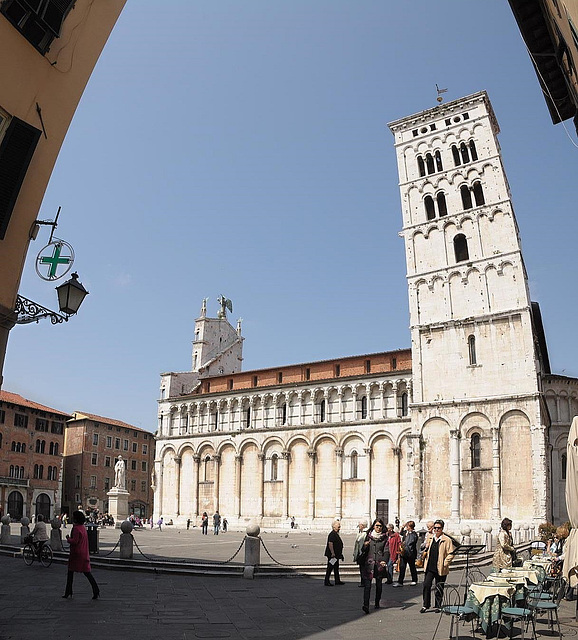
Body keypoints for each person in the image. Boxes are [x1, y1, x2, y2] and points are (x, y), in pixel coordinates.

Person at [62, 510, 100, 600]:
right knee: (87, 573)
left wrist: (68, 539)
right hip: (83, 552)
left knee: (71, 573)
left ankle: (68, 592)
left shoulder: (76, 528)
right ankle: (96, 591)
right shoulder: (83, 527)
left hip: (76, 553)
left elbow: (75, 541)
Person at [420, 519, 455, 613]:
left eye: (438, 528)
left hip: (440, 567)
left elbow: (451, 553)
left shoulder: (447, 540)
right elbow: (425, 549)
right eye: (435, 528)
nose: (436, 530)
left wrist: (445, 563)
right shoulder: (430, 538)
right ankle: (425, 605)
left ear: (442, 529)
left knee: (439, 587)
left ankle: (438, 605)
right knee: (426, 585)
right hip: (430, 566)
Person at [360, 518, 389, 613]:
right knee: (367, 585)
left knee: (379, 585)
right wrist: (365, 546)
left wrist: (385, 560)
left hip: (379, 564)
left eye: (380, 526)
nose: (378, 528)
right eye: (377, 526)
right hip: (369, 564)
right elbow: (363, 550)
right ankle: (366, 605)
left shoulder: (385, 538)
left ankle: (377, 602)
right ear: (373, 526)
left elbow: (386, 550)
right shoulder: (368, 536)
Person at [395, 520, 419, 586]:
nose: (406, 527)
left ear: (410, 527)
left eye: (407, 526)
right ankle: (400, 582)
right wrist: (402, 527)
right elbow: (400, 533)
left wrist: (404, 544)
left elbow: (410, 542)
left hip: (411, 553)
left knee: (412, 567)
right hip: (404, 553)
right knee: (402, 567)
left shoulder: (413, 534)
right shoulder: (406, 533)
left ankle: (414, 580)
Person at [324, 520, 345, 586]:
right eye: (338, 526)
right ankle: (326, 581)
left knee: (336, 567)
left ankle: (337, 580)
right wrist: (332, 553)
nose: (339, 527)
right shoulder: (332, 534)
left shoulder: (335, 534)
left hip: (336, 555)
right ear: (334, 526)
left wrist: (340, 554)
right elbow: (330, 543)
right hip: (332, 555)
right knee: (330, 567)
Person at [353, 520, 368, 587]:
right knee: (362, 569)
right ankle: (363, 581)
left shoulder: (365, 534)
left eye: (359, 525)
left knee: (363, 569)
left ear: (362, 526)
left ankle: (364, 582)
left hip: (363, 554)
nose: (359, 527)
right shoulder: (360, 533)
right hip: (360, 554)